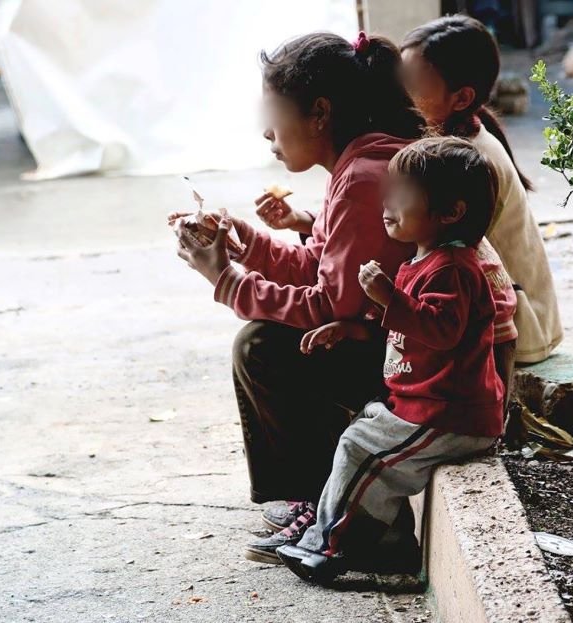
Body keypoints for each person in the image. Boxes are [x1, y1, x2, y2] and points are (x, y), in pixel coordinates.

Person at [172, 31, 425, 563]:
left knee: (263, 346)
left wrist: (226, 280)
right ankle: (309, 496)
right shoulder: (358, 165)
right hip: (399, 341)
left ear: (319, 114)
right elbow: (322, 268)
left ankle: (326, 506)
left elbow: (328, 308)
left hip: (416, 361)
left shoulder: (362, 178)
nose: (267, 131)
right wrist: (249, 245)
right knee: (263, 339)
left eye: (274, 113)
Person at [276, 137, 505, 582]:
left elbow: (442, 330)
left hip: (449, 415)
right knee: (360, 433)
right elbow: (405, 329)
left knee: (365, 454)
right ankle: (388, 544)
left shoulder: (454, 268)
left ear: (450, 212)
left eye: (403, 193)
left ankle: (331, 549)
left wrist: (388, 298)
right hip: (421, 407)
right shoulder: (421, 260)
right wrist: (352, 328)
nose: (388, 199)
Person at [400, 15, 563, 367]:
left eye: (413, 83)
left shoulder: (467, 162)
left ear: (461, 99)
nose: (400, 92)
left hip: (517, 327)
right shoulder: (455, 139)